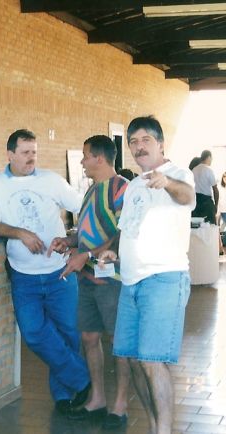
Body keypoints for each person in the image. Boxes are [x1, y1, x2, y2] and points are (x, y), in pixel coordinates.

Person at [0, 129, 90, 414]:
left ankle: (64, 397)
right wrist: (20, 233)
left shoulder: (51, 180)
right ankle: (82, 379)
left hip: (59, 271)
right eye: (25, 152)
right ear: (10, 154)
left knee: (68, 333)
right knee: (33, 333)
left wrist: (75, 240)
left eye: (34, 153)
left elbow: (84, 206)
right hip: (23, 275)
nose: (31, 158)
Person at [99, 116, 194, 434]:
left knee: (153, 360)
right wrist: (114, 250)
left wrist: (167, 182)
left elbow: (187, 197)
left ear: (160, 143)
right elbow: (127, 226)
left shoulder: (179, 175)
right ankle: (155, 425)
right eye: (133, 142)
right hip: (130, 282)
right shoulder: (135, 185)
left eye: (145, 140)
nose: (139, 147)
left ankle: (163, 430)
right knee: (132, 358)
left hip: (163, 279)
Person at [48, 135, 130, 429]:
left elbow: (123, 234)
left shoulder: (121, 188)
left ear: (99, 158)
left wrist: (87, 255)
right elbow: (87, 233)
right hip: (86, 278)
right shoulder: (92, 190)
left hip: (112, 280)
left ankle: (120, 406)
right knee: (89, 338)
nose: (82, 161)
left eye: (85, 156)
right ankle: (98, 399)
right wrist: (68, 241)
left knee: (118, 343)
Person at [191, 150, 218, 224]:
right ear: (208, 157)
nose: (211, 160)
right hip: (206, 203)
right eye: (211, 158)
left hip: (196, 203)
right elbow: (215, 189)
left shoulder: (194, 170)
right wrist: (216, 205)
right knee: (210, 226)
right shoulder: (209, 170)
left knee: (197, 227)